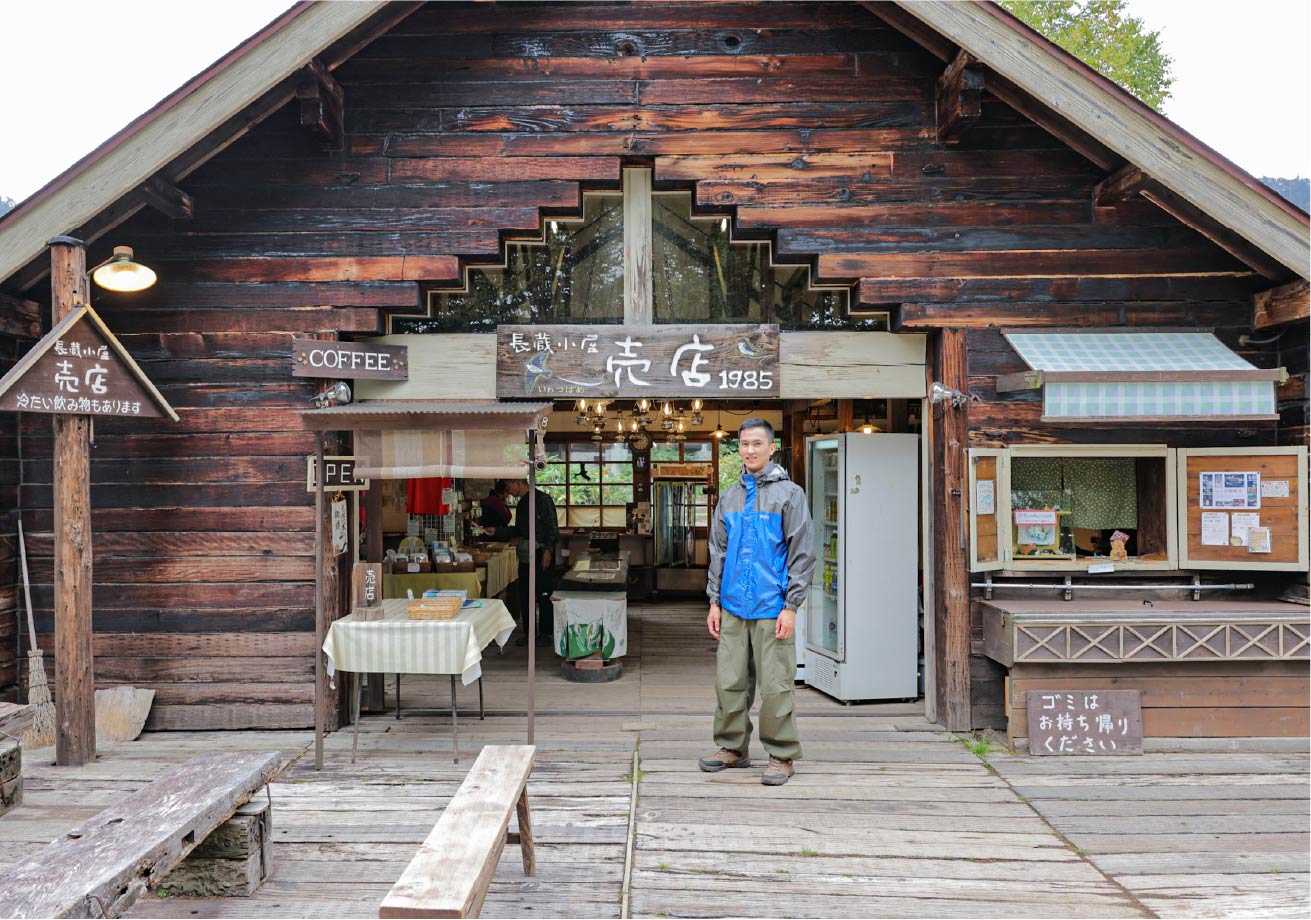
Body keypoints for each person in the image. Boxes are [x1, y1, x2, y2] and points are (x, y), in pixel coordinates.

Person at [702, 418, 815, 786]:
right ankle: (733, 748)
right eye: (744, 444)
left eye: (756, 444)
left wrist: (791, 605)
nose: (749, 450)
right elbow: (717, 552)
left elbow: (802, 554)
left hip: (772, 607)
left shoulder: (789, 495)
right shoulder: (730, 496)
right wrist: (715, 601)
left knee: (776, 685)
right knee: (729, 682)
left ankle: (781, 754)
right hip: (733, 605)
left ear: (771, 447)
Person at [485, 479, 559, 646]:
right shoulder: (522, 504)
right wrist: (497, 530)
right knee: (525, 593)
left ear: (518, 482)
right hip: (526, 554)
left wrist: (548, 550)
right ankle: (529, 633)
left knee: (544, 593)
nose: (508, 491)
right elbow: (519, 530)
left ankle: (545, 633)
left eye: (509, 486)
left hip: (541, 552)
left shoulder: (542, 499)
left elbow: (552, 527)